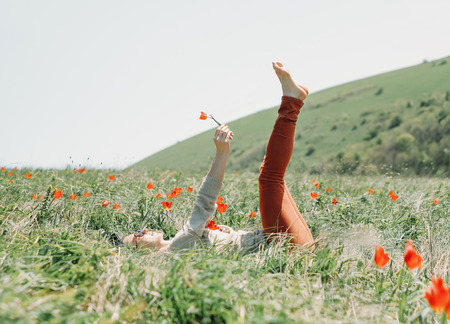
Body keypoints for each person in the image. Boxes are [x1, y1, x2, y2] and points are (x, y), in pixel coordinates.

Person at [123, 62, 314, 253]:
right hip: (284, 243)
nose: (145, 230)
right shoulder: (176, 247)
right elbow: (204, 201)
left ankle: (294, 100)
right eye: (139, 234)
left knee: (271, 175)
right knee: (270, 177)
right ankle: (292, 101)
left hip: (291, 242)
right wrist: (222, 153)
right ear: (141, 250)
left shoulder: (181, 245)